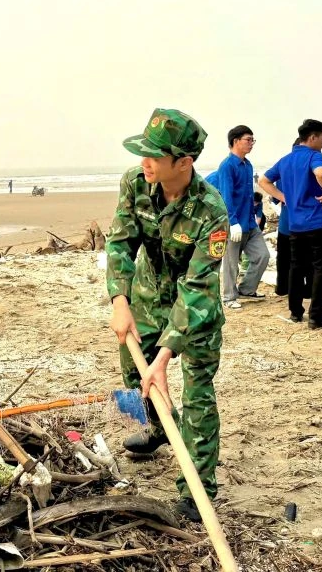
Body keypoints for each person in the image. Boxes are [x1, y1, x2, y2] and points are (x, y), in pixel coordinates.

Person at [106, 108, 228, 523]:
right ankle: (159, 429)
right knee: (134, 375)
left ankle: (197, 491)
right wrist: (120, 300)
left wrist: (164, 356)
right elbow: (121, 242)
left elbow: (196, 288)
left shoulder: (211, 212)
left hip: (196, 310)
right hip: (145, 298)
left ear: (184, 162)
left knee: (196, 398)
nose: (145, 162)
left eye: (154, 156)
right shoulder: (136, 182)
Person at [258, 119, 322, 329]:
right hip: (318, 222)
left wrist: (283, 197)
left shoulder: (286, 160)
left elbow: (263, 181)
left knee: (296, 267)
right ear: (312, 137)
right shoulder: (313, 156)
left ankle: (295, 312)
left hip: (295, 225)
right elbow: (321, 173)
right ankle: (316, 315)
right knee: (321, 268)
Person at [208, 126, 269, 310]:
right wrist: (232, 223)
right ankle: (228, 297)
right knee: (231, 264)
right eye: (248, 140)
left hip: (249, 223)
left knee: (262, 256)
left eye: (252, 140)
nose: (251, 144)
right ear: (236, 141)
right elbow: (226, 196)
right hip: (233, 224)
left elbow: (248, 195)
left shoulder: (247, 165)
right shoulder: (227, 166)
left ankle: (247, 289)